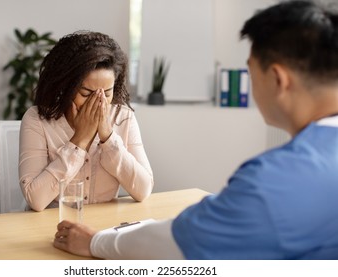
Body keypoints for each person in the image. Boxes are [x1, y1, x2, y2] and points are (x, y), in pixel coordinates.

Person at [53, 1, 338, 259]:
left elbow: (182, 243)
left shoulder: (277, 179)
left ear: (277, 79)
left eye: (251, 72)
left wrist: (95, 242)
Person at [19, 31, 154, 212]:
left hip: (102, 228)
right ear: (65, 87)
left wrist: (108, 137)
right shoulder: (37, 119)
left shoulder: (123, 118)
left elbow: (143, 190)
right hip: (52, 224)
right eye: (86, 94)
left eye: (107, 93)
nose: (98, 102)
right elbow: (35, 200)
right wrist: (79, 141)